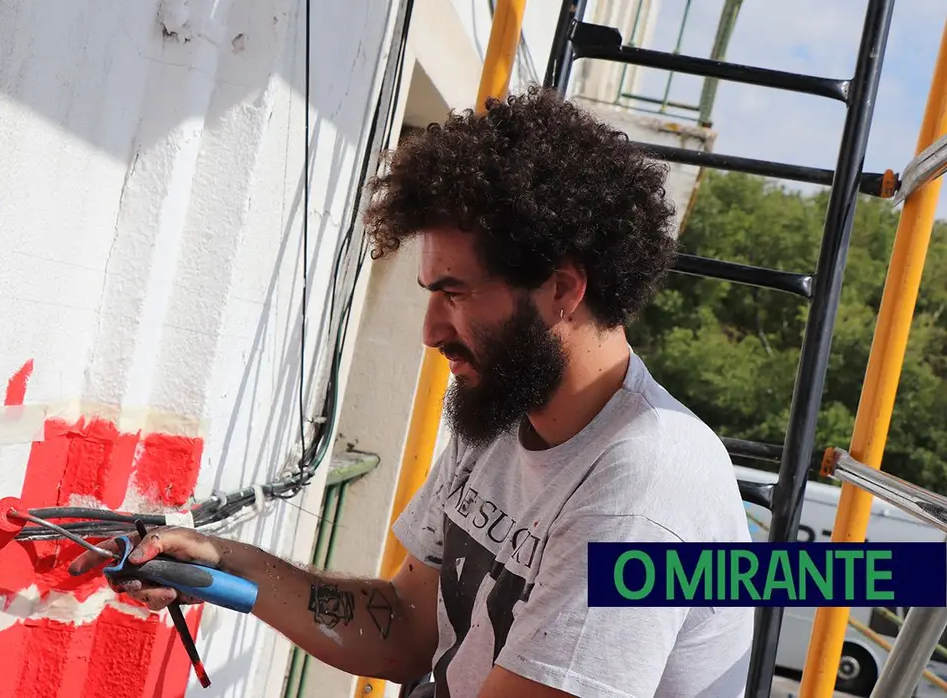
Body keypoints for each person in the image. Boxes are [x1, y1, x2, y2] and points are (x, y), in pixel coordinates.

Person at [70, 85, 753, 698]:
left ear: (563, 290)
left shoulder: (647, 482)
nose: (432, 331)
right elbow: (402, 629)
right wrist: (225, 561)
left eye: (455, 294)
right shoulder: (505, 410)